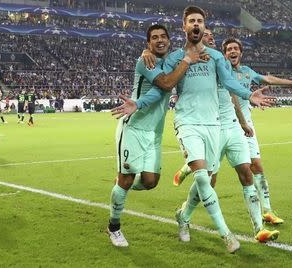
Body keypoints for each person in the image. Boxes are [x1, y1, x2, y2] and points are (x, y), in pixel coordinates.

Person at [112, 6, 274, 253]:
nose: (196, 24)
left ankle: (183, 216)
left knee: (175, 180)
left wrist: (248, 94)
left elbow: (230, 82)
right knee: (200, 175)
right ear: (184, 27)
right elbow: (162, 86)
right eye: (191, 21)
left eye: (200, 20)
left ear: (204, 25)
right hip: (186, 123)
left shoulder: (215, 57)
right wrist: (141, 98)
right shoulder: (175, 57)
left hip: (213, 125)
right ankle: (226, 235)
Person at [172, 27, 280, 243]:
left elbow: (233, 96)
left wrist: (242, 121)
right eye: (206, 36)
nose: (210, 37)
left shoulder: (220, 62)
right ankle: (184, 215)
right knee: (208, 181)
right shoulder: (196, 65)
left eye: (212, 36)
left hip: (232, 127)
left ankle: (259, 228)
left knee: (246, 173)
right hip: (212, 127)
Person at [107, 24, 199, 248]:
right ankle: (114, 227)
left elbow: (189, 48)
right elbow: (167, 84)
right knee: (127, 179)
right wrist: (187, 61)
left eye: (163, 37)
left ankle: (121, 186)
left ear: (169, 40)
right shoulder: (145, 61)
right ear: (148, 44)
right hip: (134, 127)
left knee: (150, 181)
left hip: (154, 133)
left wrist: (201, 42)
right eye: (154, 38)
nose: (159, 40)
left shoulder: (170, 60)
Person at [222, 37, 292, 224]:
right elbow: (232, 96)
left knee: (256, 166)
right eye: (229, 49)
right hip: (226, 125)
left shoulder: (246, 71)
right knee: (209, 174)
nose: (233, 51)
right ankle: (188, 207)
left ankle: (267, 210)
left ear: (241, 53)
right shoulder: (223, 71)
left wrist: (290, 83)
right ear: (225, 54)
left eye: (236, 48)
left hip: (246, 125)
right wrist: (242, 122)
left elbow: (267, 79)